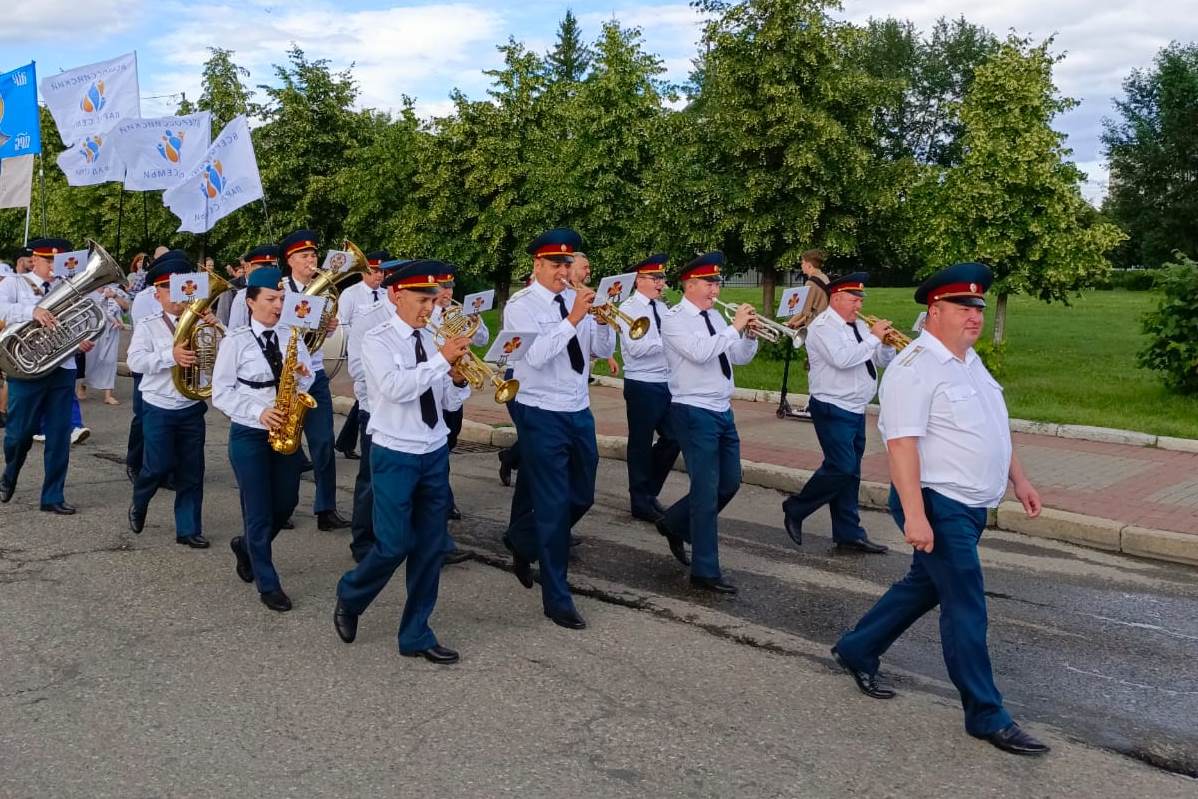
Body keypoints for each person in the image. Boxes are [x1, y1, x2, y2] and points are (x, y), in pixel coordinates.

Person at [832, 263, 1049, 756]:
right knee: (966, 603)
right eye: (962, 307)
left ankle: (857, 648)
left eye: (978, 308)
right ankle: (986, 714)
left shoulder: (968, 361)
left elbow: (994, 428)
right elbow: (902, 446)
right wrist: (915, 515)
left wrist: (1019, 479)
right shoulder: (914, 369)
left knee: (925, 585)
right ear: (934, 311)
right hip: (937, 503)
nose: (974, 316)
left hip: (970, 504)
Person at [332, 260, 472, 664]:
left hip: (433, 449)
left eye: (433, 300)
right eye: (422, 300)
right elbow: (394, 388)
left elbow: (447, 402)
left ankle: (416, 634)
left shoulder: (433, 339)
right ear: (396, 296)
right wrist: (442, 361)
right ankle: (351, 594)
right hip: (395, 451)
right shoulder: (378, 339)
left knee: (429, 548)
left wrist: (458, 379)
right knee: (393, 545)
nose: (430, 308)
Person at [501, 228, 614, 630]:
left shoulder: (575, 300)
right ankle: (556, 597)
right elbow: (536, 356)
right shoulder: (521, 306)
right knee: (552, 505)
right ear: (537, 265)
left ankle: (522, 538)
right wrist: (575, 318)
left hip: (578, 408)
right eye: (555, 264)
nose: (563, 272)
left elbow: (601, 351)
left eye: (567, 264)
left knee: (582, 495)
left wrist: (603, 320)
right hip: (541, 410)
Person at [211, 265, 314, 612]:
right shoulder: (235, 341)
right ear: (251, 302)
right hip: (249, 434)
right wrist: (258, 412)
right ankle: (268, 583)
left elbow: (308, 379)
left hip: (285, 429)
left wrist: (303, 376)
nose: (278, 306)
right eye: (271, 299)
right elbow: (221, 392)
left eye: (281, 299)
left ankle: (246, 547)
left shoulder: (291, 336)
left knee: (285, 503)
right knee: (257, 510)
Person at [656, 252, 758, 594]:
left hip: (722, 409)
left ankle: (674, 522)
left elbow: (737, 357)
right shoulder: (674, 319)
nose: (716, 289)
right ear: (690, 284)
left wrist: (749, 336)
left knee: (729, 482)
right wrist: (735, 328)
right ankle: (705, 570)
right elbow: (700, 352)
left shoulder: (715, 317)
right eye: (709, 283)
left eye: (717, 283)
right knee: (705, 490)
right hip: (693, 410)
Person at [781, 273, 893, 554]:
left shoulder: (860, 326)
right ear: (837, 298)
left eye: (860, 300)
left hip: (855, 407)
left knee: (851, 473)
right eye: (854, 300)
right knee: (841, 466)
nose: (859, 305)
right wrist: (873, 339)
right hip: (832, 406)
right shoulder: (822, 327)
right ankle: (796, 508)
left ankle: (848, 533)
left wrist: (886, 344)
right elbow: (843, 359)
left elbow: (879, 360)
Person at [0, 238, 96, 513]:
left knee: (59, 435)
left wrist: (80, 340)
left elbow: (84, 319)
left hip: (62, 369)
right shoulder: (15, 283)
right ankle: (10, 472)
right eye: (49, 261)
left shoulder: (69, 287)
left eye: (60, 261)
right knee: (19, 433)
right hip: (27, 369)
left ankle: (53, 496)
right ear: (35, 260)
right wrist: (31, 311)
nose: (55, 267)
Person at [126, 251, 212, 548]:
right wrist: (170, 356)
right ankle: (140, 501)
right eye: (169, 289)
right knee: (157, 466)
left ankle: (188, 529)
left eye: (183, 288)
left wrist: (217, 328)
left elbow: (224, 355)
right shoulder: (149, 325)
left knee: (192, 470)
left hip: (191, 406)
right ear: (158, 294)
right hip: (159, 406)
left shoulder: (202, 322)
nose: (177, 296)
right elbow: (135, 362)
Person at [279, 229, 348, 531]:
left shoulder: (322, 292)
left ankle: (326, 509)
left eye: (314, 255)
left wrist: (329, 327)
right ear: (290, 260)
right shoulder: (279, 290)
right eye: (305, 256)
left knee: (323, 442)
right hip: (285, 375)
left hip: (315, 374)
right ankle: (283, 506)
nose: (312, 260)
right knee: (287, 443)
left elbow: (319, 337)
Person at [343, 258, 406, 563]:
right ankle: (363, 541)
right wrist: (400, 379)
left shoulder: (426, 318)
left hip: (414, 413)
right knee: (371, 479)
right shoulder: (369, 318)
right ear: (395, 290)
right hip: (378, 409)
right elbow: (356, 368)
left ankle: (423, 541)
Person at [617, 253, 680, 523]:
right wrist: (669, 340)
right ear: (639, 280)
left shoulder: (663, 308)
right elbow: (636, 349)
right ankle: (640, 501)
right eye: (655, 278)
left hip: (666, 381)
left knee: (675, 437)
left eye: (662, 278)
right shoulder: (629, 308)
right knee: (641, 444)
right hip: (642, 382)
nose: (661, 283)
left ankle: (648, 491)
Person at [428, 263, 488, 543]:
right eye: (442, 288)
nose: (447, 293)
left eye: (450, 288)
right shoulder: (426, 317)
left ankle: (442, 496)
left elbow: (483, 339)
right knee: (438, 449)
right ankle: (444, 500)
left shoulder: (458, 313)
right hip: (434, 388)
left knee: (449, 443)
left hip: (456, 386)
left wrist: (475, 320)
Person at [126, 249, 177, 482]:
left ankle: (169, 467)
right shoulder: (145, 297)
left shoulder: (191, 294)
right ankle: (135, 462)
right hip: (153, 365)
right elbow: (143, 331)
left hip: (182, 366)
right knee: (143, 418)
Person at [333, 249, 389, 462]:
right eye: (374, 271)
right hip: (360, 351)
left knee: (365, 399)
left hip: (382, 351)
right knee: (365, 397)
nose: (379, 276)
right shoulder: (351, 294)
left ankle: (345, 442)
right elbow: (343, 322)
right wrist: (358, 340)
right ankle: (349, 443)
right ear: (364, 272)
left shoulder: (385, 294)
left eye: (382, 272)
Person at [785, 249, 832, 420]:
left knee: (814, 368)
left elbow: (804, 310)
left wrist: (790, 323)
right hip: (825, 326)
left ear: (809, 264)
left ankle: (813, 405)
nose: (801, 265)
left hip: (815, 329)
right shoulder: (825, 278)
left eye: (802, 262)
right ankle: (817, 403)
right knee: (821, 367)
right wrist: (798, 322)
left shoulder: (811, 283)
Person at [81, 284, 130, 405]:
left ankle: (108, 395)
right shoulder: (88, 292)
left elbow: (126, 307)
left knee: (110, 361)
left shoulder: (116, 290)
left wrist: (114, 296)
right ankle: (83, 385)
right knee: (91, 361)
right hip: (93, 330)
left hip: (111, 330)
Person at [228, 245, 278, 331]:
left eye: (272, 267)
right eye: (263, 268)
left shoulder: (281, 294)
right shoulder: (242, 297)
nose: (268, 271)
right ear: (248, 267)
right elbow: (235, 331)